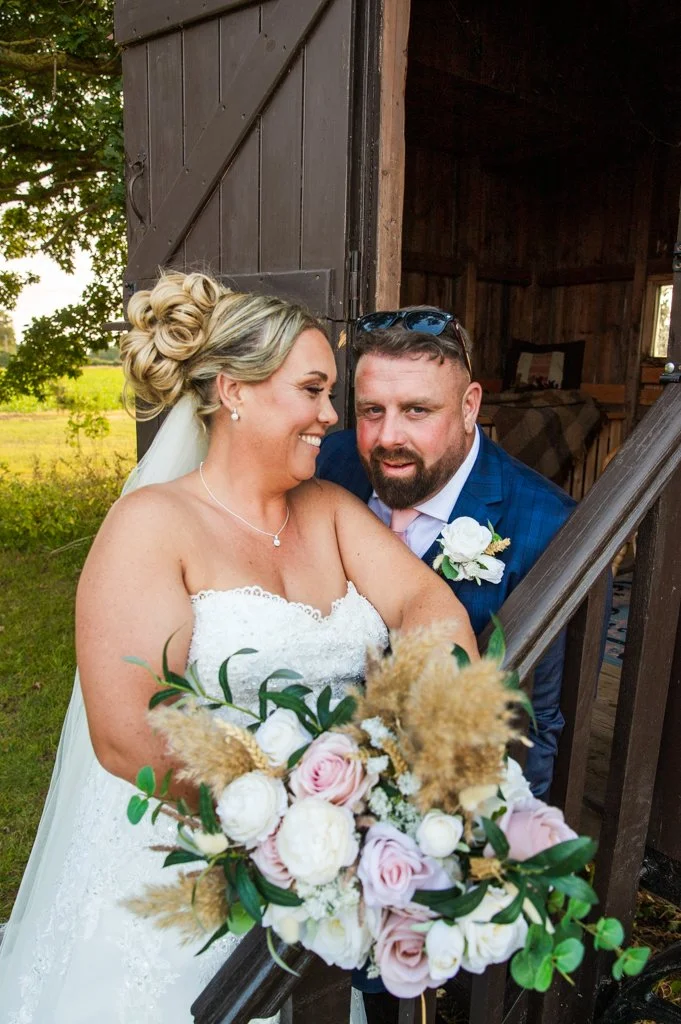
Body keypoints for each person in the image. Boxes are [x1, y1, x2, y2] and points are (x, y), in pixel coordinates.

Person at [0, 275, 477, 1024]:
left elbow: (427, 604)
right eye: (313, 390)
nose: (331, 415)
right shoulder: (152, 525)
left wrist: (416, 733)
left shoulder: (329, 510)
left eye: (330, 394)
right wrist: (278, 830)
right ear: (235, 391)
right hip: (188, 862)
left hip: (324, 851)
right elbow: (127, 732)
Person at [317, 307, 576, 800]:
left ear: (469, 405)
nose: (388, 436)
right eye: (372, 410)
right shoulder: (331, 462)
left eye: (417, 410)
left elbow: (537, 723)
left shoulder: (546, 525)